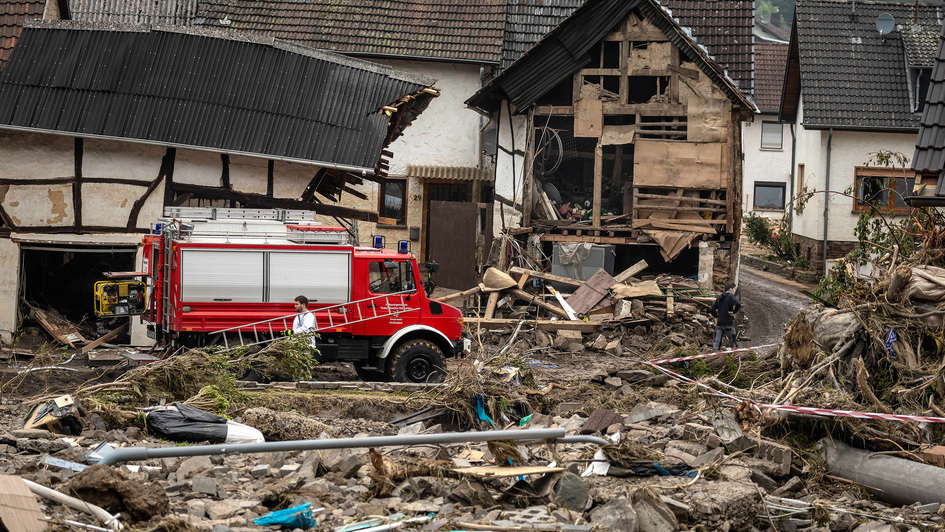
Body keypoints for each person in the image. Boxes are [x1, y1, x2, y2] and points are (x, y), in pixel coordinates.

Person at [710, 281, 741, 351]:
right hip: (728, 323)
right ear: (730, 289)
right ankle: (735, 356)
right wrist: (734, 312)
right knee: (732, 341)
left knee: (717, 342)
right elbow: (738, 304)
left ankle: (714, 355)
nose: (734, 291)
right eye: (734, 289)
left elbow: (712, 309)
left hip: (719, 323)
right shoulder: (731, 297)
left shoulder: (719, 297)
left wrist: (716, 316)